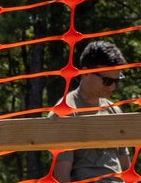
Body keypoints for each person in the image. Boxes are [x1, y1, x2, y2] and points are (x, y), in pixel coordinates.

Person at [47, 40, 132, 182]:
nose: (112, 87)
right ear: (86, 72)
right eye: (107, 81)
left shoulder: (114, 111)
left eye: (117, 81)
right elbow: (62, 177)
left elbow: (126, 168)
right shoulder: (65, 112)